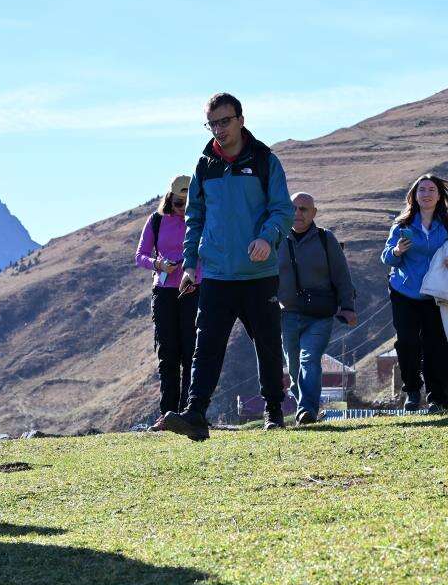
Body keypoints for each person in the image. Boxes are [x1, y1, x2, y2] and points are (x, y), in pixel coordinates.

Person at [156, 92, 294, 440]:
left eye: (224, 121)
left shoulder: (265, 161)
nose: (218, 129)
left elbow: (282, 210)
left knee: (266, 343)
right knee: (206, 345)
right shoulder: (204, 166)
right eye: (212, 123)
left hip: (258, 274)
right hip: (216, 272)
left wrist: (267, 237)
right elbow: (194, 217)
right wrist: (190, 264)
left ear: (241, 120)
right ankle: (196, 414)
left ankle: (274, 411)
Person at [381, 174, 448, 412]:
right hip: (404, 291)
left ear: (439, 196)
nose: (426, 194)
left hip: (436, 295)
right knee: (407, 342)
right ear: (414, 196)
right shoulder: (402, 225)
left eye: (431, 190)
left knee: (436, 345)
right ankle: (413, 390)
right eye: (421, 190)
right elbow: (386, 258)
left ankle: (436, 398)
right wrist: (396, 251)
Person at [278, 192, 357, 425]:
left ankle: (307, 410)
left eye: (304, 209)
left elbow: (342, 275)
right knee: (293, 366)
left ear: (314, 213)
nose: (297, 214)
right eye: (293, 208)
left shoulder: (326, 239)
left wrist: (348, 307)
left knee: (309, 359)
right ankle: (305, 402)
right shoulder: (276, 238)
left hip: (320, 315)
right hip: (288, 314)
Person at [134, 176, 203, 420]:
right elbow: (140, 256)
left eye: (188, 204)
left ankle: (189, 412)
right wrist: (159, 264)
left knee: (191, 352)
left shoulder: (201, 221)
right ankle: (168, 412)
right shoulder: (156, 220)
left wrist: (194, 270)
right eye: (178, 204)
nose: (183, 209)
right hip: (164, 291)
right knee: (167, 353)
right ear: (169, 199)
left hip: (194, 289)